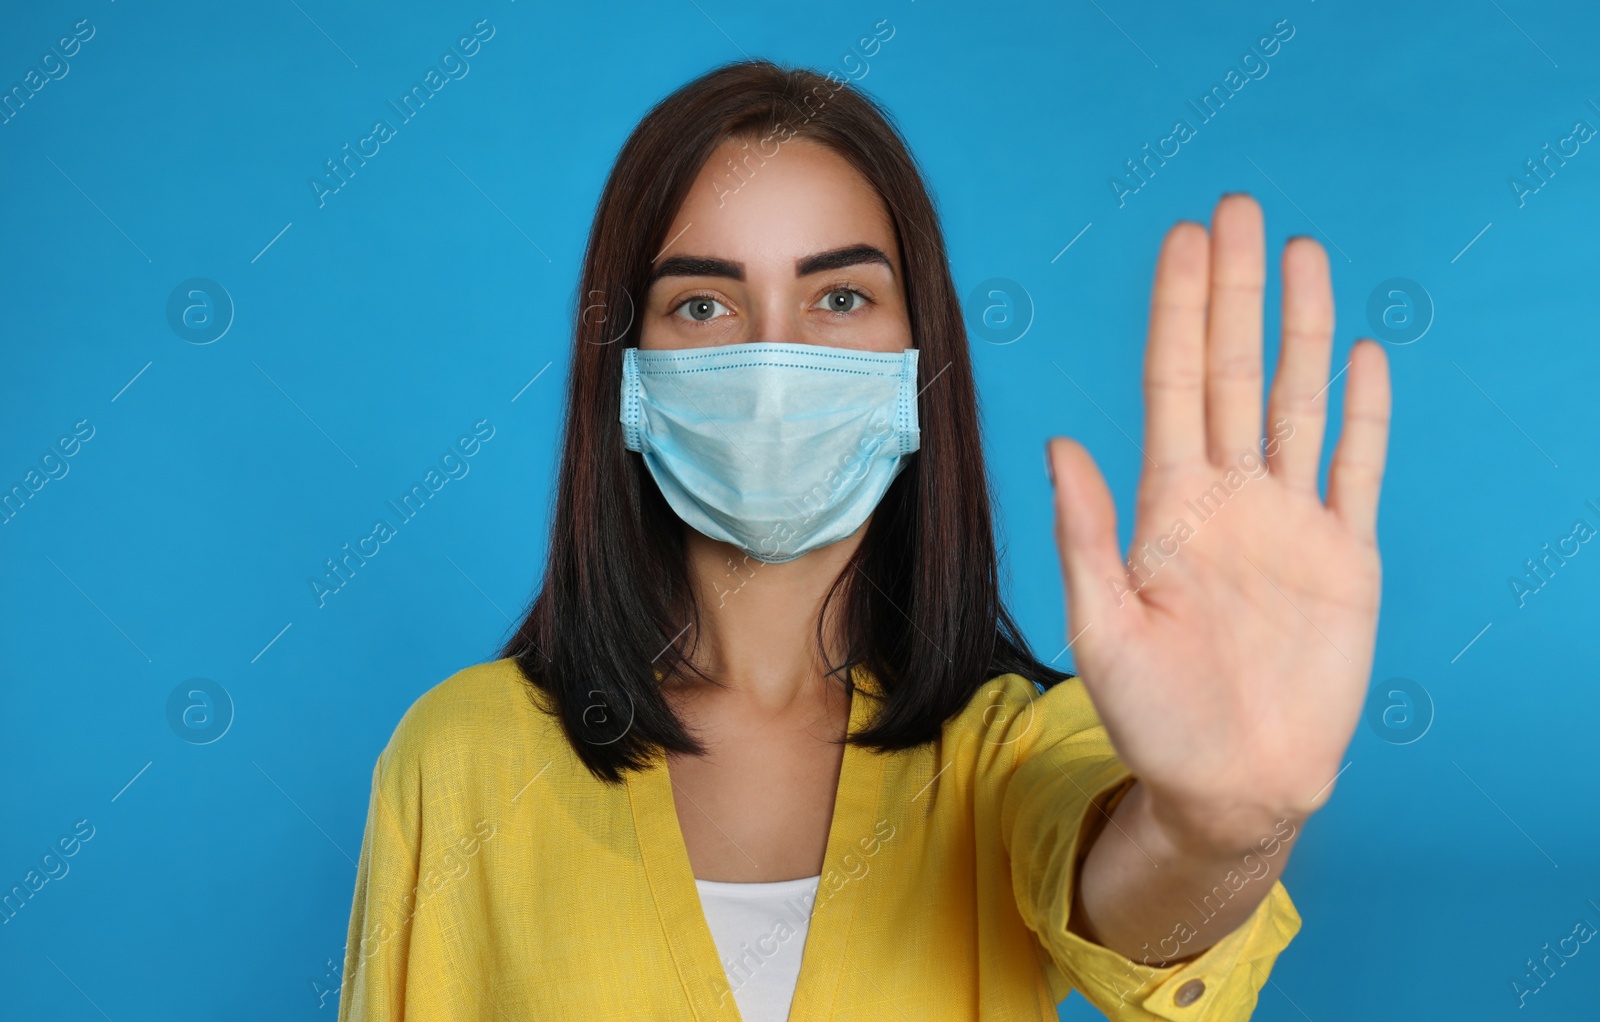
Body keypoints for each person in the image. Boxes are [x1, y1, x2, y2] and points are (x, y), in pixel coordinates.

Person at [337, 58, 1389, 1021]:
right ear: (626, 367)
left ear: (916, 356)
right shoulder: (461, 758)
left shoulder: (1008, 750)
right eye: (702, 304)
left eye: (839, 296)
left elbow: (1140, 906)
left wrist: (1221, 824)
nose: (773, 357)